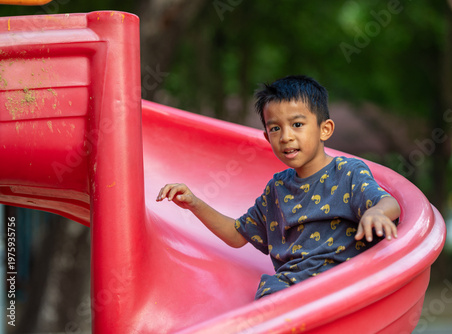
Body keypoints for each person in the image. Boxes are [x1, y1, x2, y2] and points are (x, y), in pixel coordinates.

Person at [156, 75, 401, 299]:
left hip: (341, 285)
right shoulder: (277, 189)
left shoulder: (347, 173)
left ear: (324, 129)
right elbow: (237, 234)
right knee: (266, 294)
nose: (285, 136)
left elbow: (390, 203)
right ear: (267, 137)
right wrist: (194, 204)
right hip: (289, 292)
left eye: (297, 124)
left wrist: (376, 213)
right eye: (275, 128)